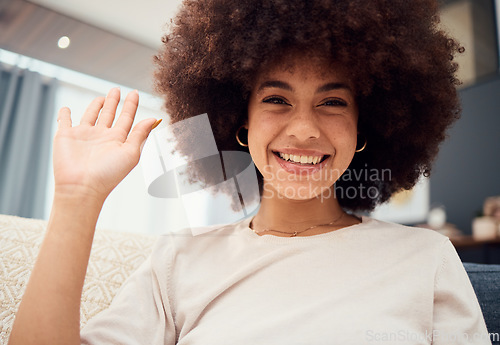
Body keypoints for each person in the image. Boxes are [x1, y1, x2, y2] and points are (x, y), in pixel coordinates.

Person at [8, 0, 492, 344]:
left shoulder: (426, 257)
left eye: (332, 102)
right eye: (277, 99)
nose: (303, 129)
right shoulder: (179, 260)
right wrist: (77, 197)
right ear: (239, 123)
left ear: (365, 128)